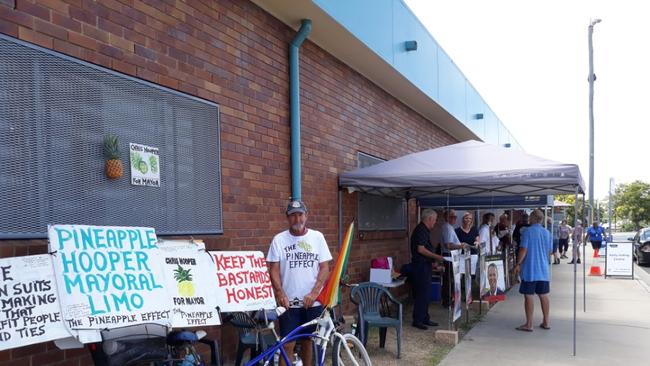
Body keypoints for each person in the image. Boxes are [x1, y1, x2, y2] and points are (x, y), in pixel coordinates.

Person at [267, 200, 332, 366]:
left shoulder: (317, 237)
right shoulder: (279, 240)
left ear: (306, 216)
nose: (297, 219)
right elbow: (273, 269)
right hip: (289, 303)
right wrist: (280, 293)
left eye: (300, 214)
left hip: (313, 302)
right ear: (287, 218)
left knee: (308, 341)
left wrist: (314, 293)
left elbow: (324, 267)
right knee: (287, 344)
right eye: (293, 215)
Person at [514, 209, 553, 332]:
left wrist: (518, 263)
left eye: (530, 217)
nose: (528, 219)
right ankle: (546, 321)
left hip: (530, 269)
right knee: (544, 295)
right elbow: (550, 251)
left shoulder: (527, 232)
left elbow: (523, 250)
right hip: (543, 269)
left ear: (533, 218)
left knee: (529, 296)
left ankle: (529, 324)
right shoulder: (547, 233)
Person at [410, 209, 443, 330]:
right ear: (429, 219)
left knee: (426, 293)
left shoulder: (424, 230)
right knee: (421, 293)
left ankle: (425, 317)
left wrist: (433, 262)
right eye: (434, 220)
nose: (435, 222)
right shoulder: (421, 230)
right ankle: (418, 320)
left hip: (425, 265)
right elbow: (421, 249)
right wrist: (437, 257)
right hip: (420, 266)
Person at [440, 209, 469, 308]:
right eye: (452, 217)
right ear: (446, 217)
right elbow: (448, 245)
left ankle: (450, 299)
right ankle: (447, 301)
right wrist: (460, 246)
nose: (454, 219)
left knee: (451, 280)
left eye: (455, 217)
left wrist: (459, 245)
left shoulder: (449, 227)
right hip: (449, 256)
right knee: (449, 280)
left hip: (452, 255)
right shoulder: (447, 228)